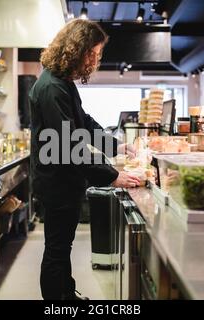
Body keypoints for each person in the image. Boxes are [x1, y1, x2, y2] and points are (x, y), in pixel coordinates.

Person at [29, 19, 140, 300]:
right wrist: (112, 175)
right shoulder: (52, 87)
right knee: (57, 249)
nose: (96, 59)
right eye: (94, 53)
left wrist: (117, 147)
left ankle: (66, 294)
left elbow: (84, 123)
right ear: (78, 50)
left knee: (62, 245)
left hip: (63, 180)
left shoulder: (61, 82)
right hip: (57, 182)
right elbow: (68, 145)